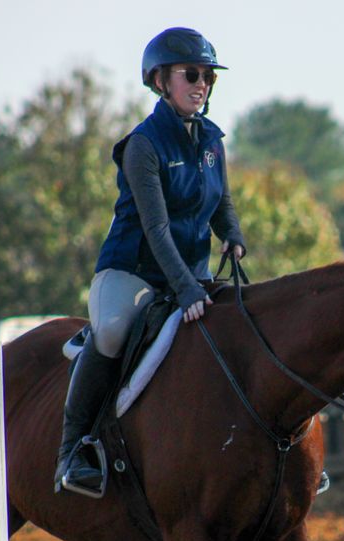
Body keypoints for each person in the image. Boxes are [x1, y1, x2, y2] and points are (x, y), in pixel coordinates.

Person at [55, 26, 245, 497]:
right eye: (191, 74)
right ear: (161, 80)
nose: (201, 83)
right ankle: (74, 449)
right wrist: (185, 289)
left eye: (207, 76)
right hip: (133, 271)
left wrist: (233, 236)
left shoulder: (211, 141)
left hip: (193, 273)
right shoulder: (143, 145)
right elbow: (157, 229)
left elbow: (222, 203)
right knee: (115, 332)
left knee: (242, 325)